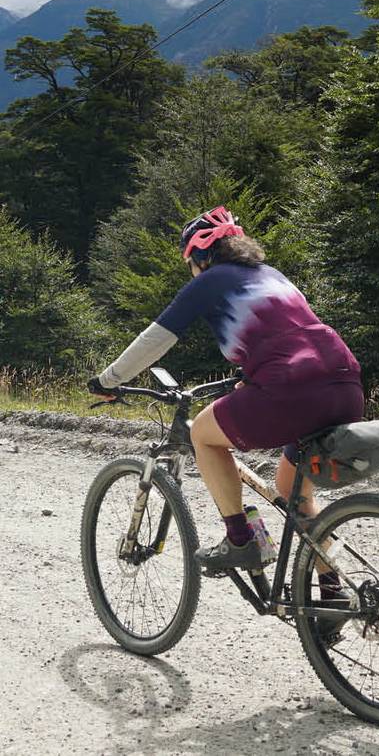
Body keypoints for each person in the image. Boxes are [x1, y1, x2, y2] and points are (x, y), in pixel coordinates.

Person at [89, 207, 363, 595]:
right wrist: (250, 378)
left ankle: (241, 538)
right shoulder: (274, 277)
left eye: (190, 262)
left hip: (291, 387)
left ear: (201, 256)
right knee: (294, 496)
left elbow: (157, 338)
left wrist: (108, 379)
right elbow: (292, 338)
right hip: (345, 382)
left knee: (202, 433)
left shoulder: (212, 279)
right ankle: (333, 593)